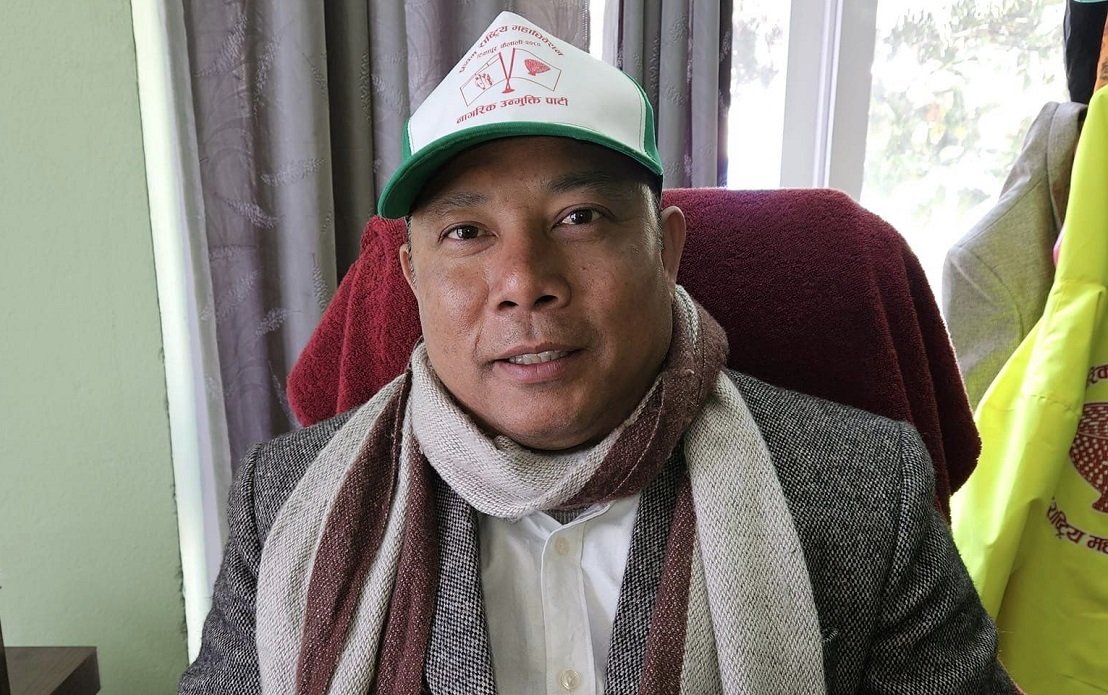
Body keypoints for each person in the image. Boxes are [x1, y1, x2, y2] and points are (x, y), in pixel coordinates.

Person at [181, 12, 1016, 695]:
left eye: (579, 218)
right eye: (467, 232)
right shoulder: (286, 504)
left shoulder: (865, 495)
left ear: (667, 250)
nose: (524, 282)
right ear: (412, 277)